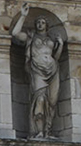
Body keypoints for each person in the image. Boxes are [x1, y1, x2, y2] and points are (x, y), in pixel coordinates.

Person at [10, 9, 63, 138]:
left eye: (42, 22)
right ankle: (38, 131)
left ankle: (47, 131)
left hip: (52, 70)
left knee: (51, 102)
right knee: (39, 100)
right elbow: (15, 33)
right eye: (38, 22)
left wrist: (60, 45)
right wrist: (23, 16)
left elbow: (55, 57)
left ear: (47, 25)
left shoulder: (51, 39)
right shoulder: (31, 37)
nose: (40, 24)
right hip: (37, 71)